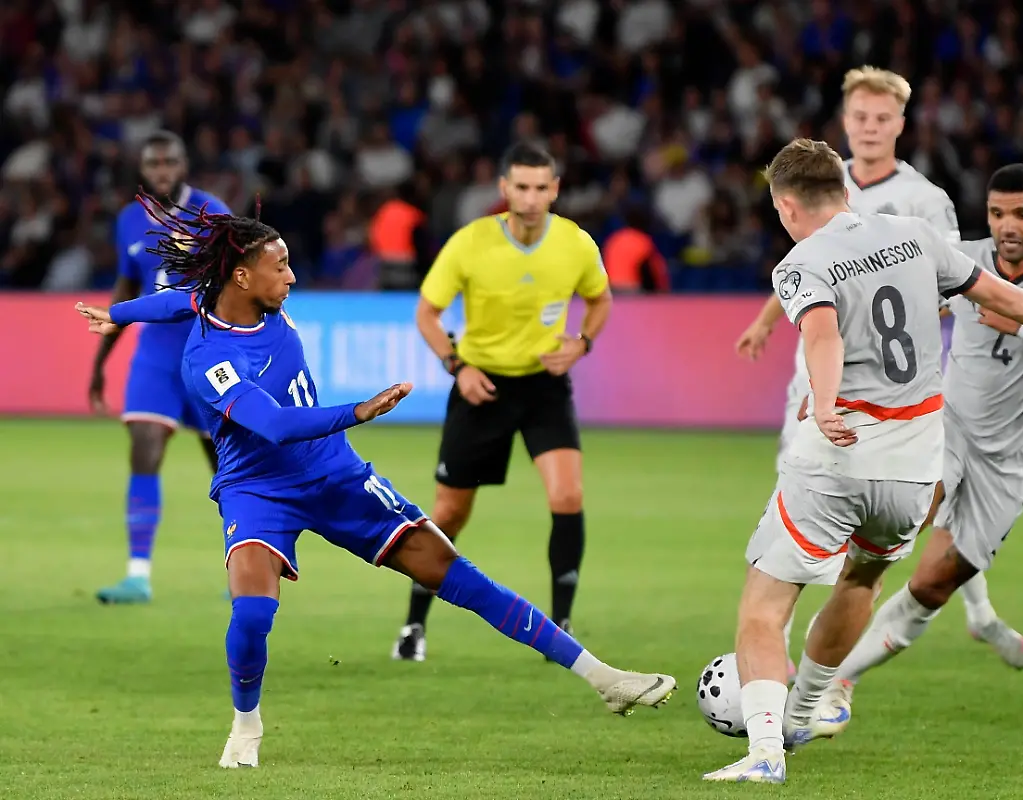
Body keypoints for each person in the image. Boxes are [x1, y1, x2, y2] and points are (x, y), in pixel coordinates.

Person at [74, 197, 673, 770]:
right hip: (258, 490)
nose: (290, 274)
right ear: (239, 278)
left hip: (335, 474)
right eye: (277, 265)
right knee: (253, 614)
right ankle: (246, 724)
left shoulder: (234, 301)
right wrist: (355, 412)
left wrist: (118, 315)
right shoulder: (205, 360)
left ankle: (603, 678)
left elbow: (177, 299)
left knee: (455, 572)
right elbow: (277, 425)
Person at [703, 140, 1023, 783]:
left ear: (786, 205)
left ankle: (764, 752)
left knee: (763, 607)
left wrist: (827, 399)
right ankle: (808, 705)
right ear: (845, 186)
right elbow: (995, 295)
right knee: (862, 581)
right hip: (913, 467)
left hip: (839, 455)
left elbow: (821, 333)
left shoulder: (800, 263)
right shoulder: (914, 235)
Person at [805, 164, 1023, 737]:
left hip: (1014, 461)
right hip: (945, 428)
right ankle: (829, 682)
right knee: (889, 534)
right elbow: (888, 317)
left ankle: (963, 619)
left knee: (931, 584)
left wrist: (1020, 326)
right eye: (998, 213)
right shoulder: (962, 258)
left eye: (1022, 215)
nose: (1008, 227)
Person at [733, 67, 1018, 668]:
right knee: (802, 544)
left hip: (885, 400)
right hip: (814, 388)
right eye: (860, 117)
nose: (869, 127)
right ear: (846, 121)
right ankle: (777, 680)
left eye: (881, 118)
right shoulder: (824, 181)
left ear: (900, 125)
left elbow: (947, 286)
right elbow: (805, 265)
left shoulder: (923, 202)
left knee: (858, 555)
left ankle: (819, 683)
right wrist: (765, 320)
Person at [394, 141, 613, 662]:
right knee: (449, 512)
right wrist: (457, 366)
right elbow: (427, 312)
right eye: (522, 186)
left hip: (543, 387)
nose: (532, 197)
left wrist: (582, 343)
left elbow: (601, 299)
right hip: (481, 386)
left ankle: (561, 625)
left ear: (555, 190)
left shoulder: (576, 244)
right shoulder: (470, 244)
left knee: (568, 496)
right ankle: (413, 627)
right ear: (504, 189)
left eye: (542, 187)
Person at [89, 130, 232, 604]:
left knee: (229, 469)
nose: (162, 170)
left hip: (208, 351)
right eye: (154, 163)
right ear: (143, 169)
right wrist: (101, 360)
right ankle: (137, 575)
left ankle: (253, 561)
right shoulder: (131, 220)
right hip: (155, 354)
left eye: (170, 161)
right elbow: (126, 287)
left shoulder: (213, 214)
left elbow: (246, 280)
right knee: (145, 445)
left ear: (184, 163)